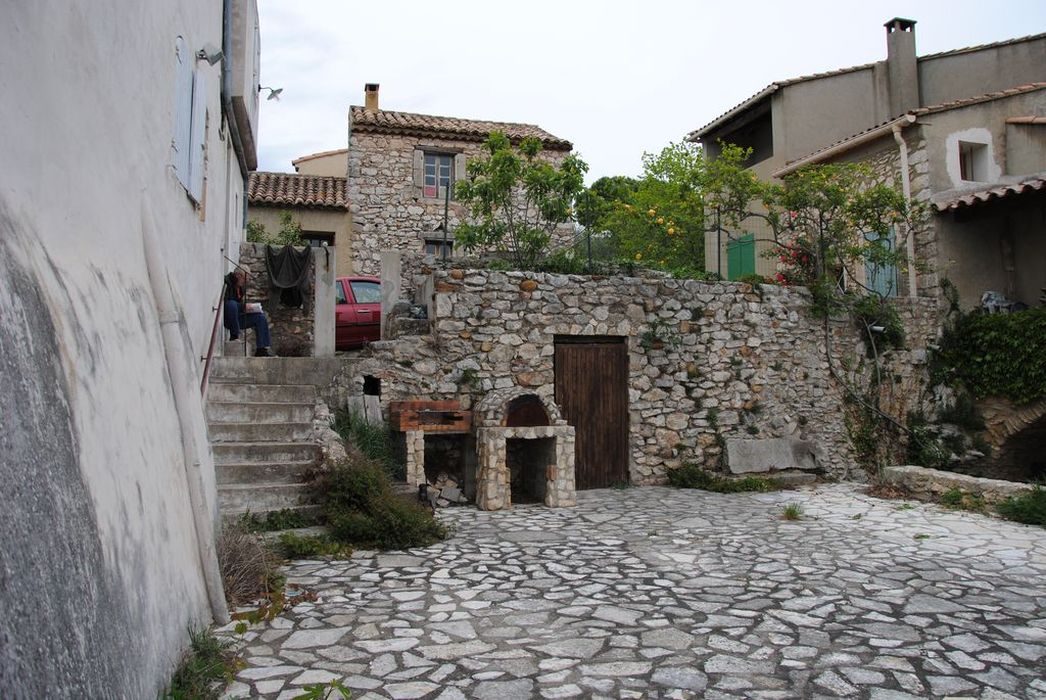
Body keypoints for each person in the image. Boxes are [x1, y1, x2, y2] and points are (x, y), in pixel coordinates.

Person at [223, 270, 276, 357]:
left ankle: (261, 349)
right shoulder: (227, 282)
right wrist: (243, 306)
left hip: (238, 318)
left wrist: (248, 309)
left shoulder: (240, 288)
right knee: (231, 304)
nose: (245, 282)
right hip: (228, 318)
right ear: (238, 276)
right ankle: (234, 336)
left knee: (260, 317)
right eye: (244, 279)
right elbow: (226, 303)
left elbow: (239, 307)